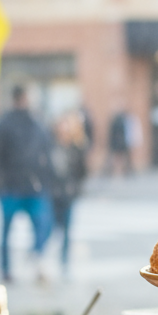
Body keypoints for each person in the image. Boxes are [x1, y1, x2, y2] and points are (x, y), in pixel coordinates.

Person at [0, 85, 53, 281]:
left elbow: (45, 151)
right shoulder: (9, 123)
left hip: (28, 186)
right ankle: (8, 269)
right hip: (13, 186)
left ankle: (34, 259)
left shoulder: (33, 122)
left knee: (41, 226)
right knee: (10, 230)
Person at [49, 109, 88, 272]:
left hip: (68, 194)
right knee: (50, 227)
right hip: (53, 194)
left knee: (66, 229)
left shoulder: (76, 148)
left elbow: (82, 171)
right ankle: (43, 257)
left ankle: (64, 261)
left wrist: (75, 188)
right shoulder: (51, 147)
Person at [107, 110, 134, 176]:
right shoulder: (122, 122)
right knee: (121, 158)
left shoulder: (114, 122)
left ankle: (117, 172)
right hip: (121, 142)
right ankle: (121, 171)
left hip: (116, 142)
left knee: (116, 158)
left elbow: (111, 133)